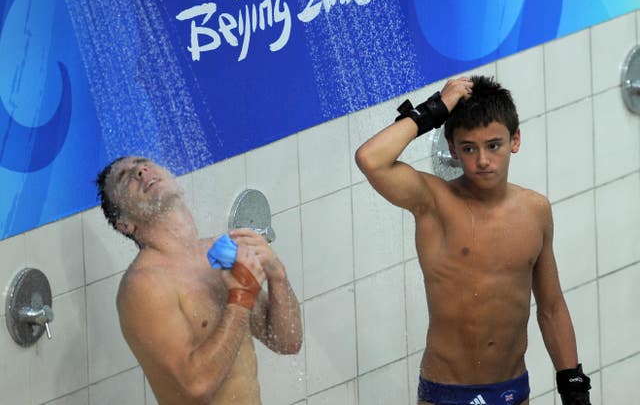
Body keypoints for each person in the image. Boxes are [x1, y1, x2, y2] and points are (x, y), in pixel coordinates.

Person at [355, 76, 591, 405]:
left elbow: (551, 308)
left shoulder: (535, 211)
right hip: (445, 392)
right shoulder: (434, 203)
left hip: (511, 390)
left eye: (493, 145)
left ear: (515, 140)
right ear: (453, 149)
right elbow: (370, 158)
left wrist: (574, 386)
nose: (482, 160)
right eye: (469, 148)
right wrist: (435, 109)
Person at [96, 156, 302, 405]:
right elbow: (195, 388)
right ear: (125, 224)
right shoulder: (143, 286)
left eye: (142, 163)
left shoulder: (217, 254)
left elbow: (287, 342)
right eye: (124, 178)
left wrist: (277, 275)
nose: (140, 171)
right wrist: (240, 299)